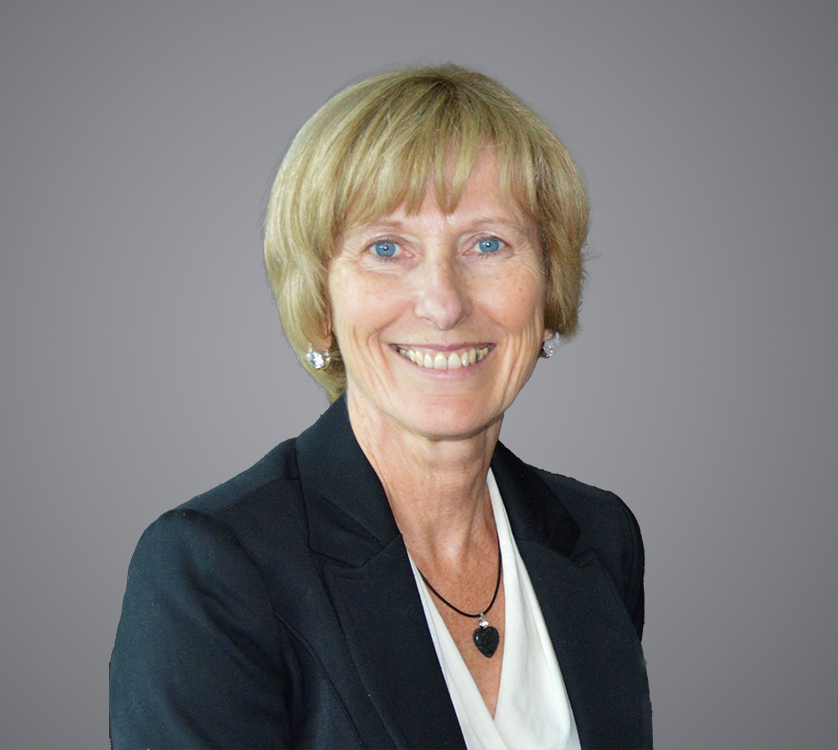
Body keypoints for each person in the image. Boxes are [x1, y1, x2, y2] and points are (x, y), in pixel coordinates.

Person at [110, 63, 651, 749]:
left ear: (548, 293)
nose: (444, 302)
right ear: (321, 307)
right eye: (387, 248)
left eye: (489, 243)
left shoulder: (597, 537)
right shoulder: (215, 571)